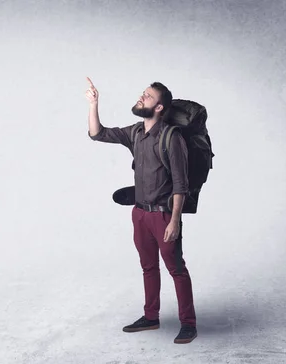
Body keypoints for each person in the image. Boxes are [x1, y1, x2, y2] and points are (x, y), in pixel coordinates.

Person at [85, 77, 197, 344]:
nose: (141, 97)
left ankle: (189, 323)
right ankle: (151, 317)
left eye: (147, 96)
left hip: (164, 215)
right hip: (139, 214)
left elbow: (181, 184)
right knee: (148, 267)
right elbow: (97, 133)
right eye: (143, 94)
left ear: (159, 107)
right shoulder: (135, 132)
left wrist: (175, 221)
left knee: (176, 268)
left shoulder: (172, 137)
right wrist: (93, 103)